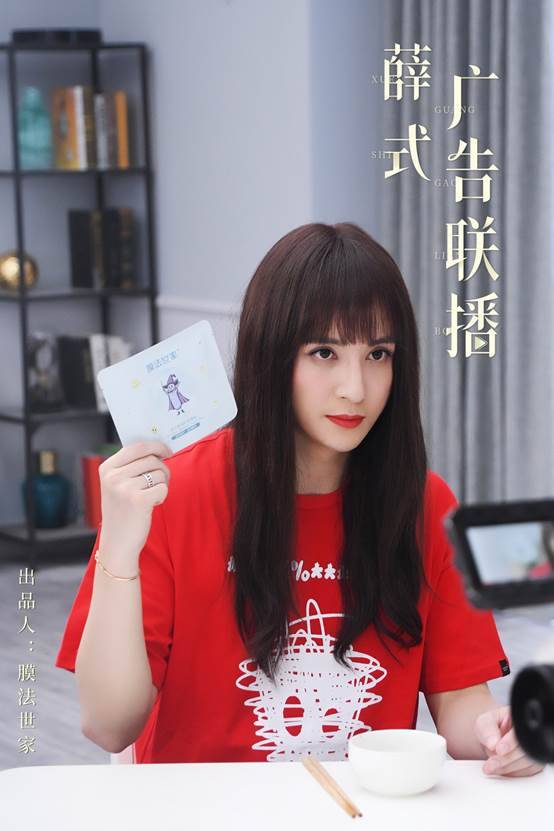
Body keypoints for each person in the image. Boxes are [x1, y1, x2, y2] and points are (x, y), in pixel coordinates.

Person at [55, 222, 543, 776]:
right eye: (324, 352)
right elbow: (109, 726)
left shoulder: (424, 504)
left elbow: (460, 702)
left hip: (364, 808)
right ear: (270, 356)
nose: (355, 389)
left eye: (378, 353)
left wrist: (502, 735)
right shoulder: (173, 494)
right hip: (204, 810)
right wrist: (119, 550)